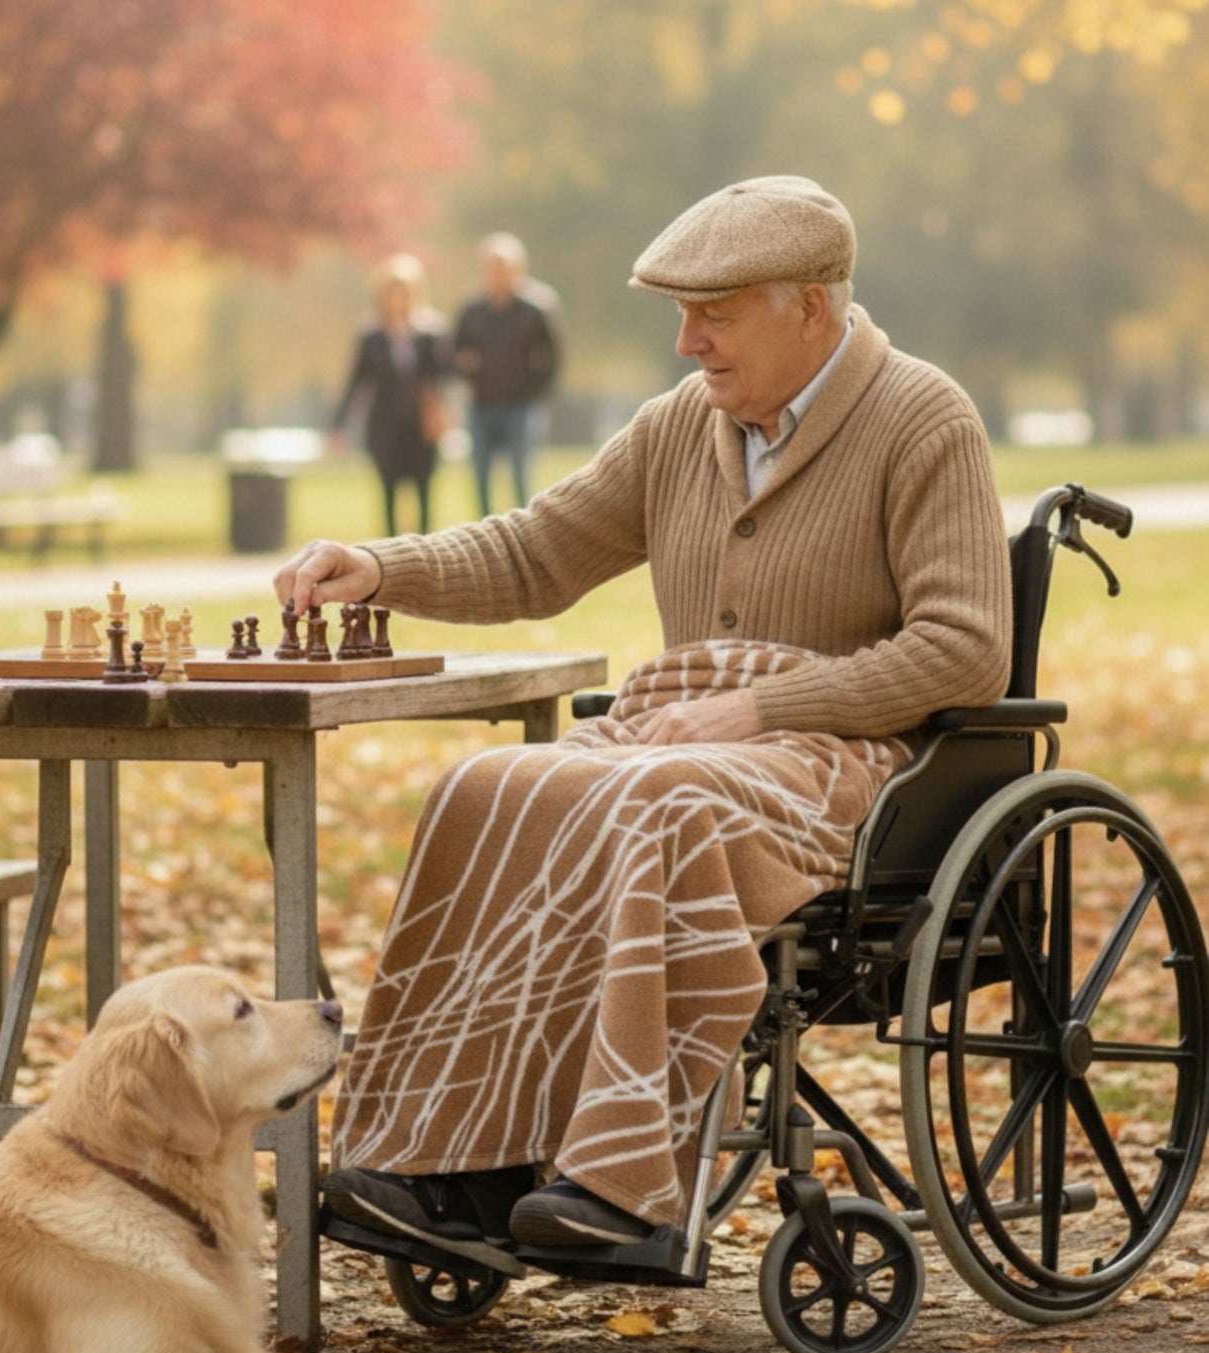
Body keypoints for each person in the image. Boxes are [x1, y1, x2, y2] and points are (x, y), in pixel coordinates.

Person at [276, 176, 1011, 1263]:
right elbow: (536, 549)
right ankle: (442, 1164)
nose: (684, 342)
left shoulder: (920, 416)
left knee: (663, 798)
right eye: (679, 314)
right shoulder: (681, 428)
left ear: (808, 308)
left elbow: (965, 648)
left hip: (842, 752)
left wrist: (761, 704)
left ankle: (619, 1182)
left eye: (711, 314)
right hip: (680, 727)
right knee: (490, 786)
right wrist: (379, 566)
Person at [331, 254, 451, 536]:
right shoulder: (371, 335)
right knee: (387, 490)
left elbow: (446, 377)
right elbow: (356, 382)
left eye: (404, 291)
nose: (398, 297)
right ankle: (390, 555)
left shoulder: (431, 332)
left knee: (424, 490)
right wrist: (339, 425)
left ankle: (424, 553)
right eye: (393, 291)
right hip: (385, 426)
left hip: (421, 426)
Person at [454, 232, 562, 516]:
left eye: (503, 267)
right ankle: (484, 540)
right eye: (491, 268)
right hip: (482, 405)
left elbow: (553, 356)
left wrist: (536, 391)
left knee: (520, 477)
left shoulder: (538, 307)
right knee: (479, 477)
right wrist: (470, 379)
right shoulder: (472, 310)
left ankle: (523, 542)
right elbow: (457, 352)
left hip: (522, 406)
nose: (497, 274)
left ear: (518, 269)